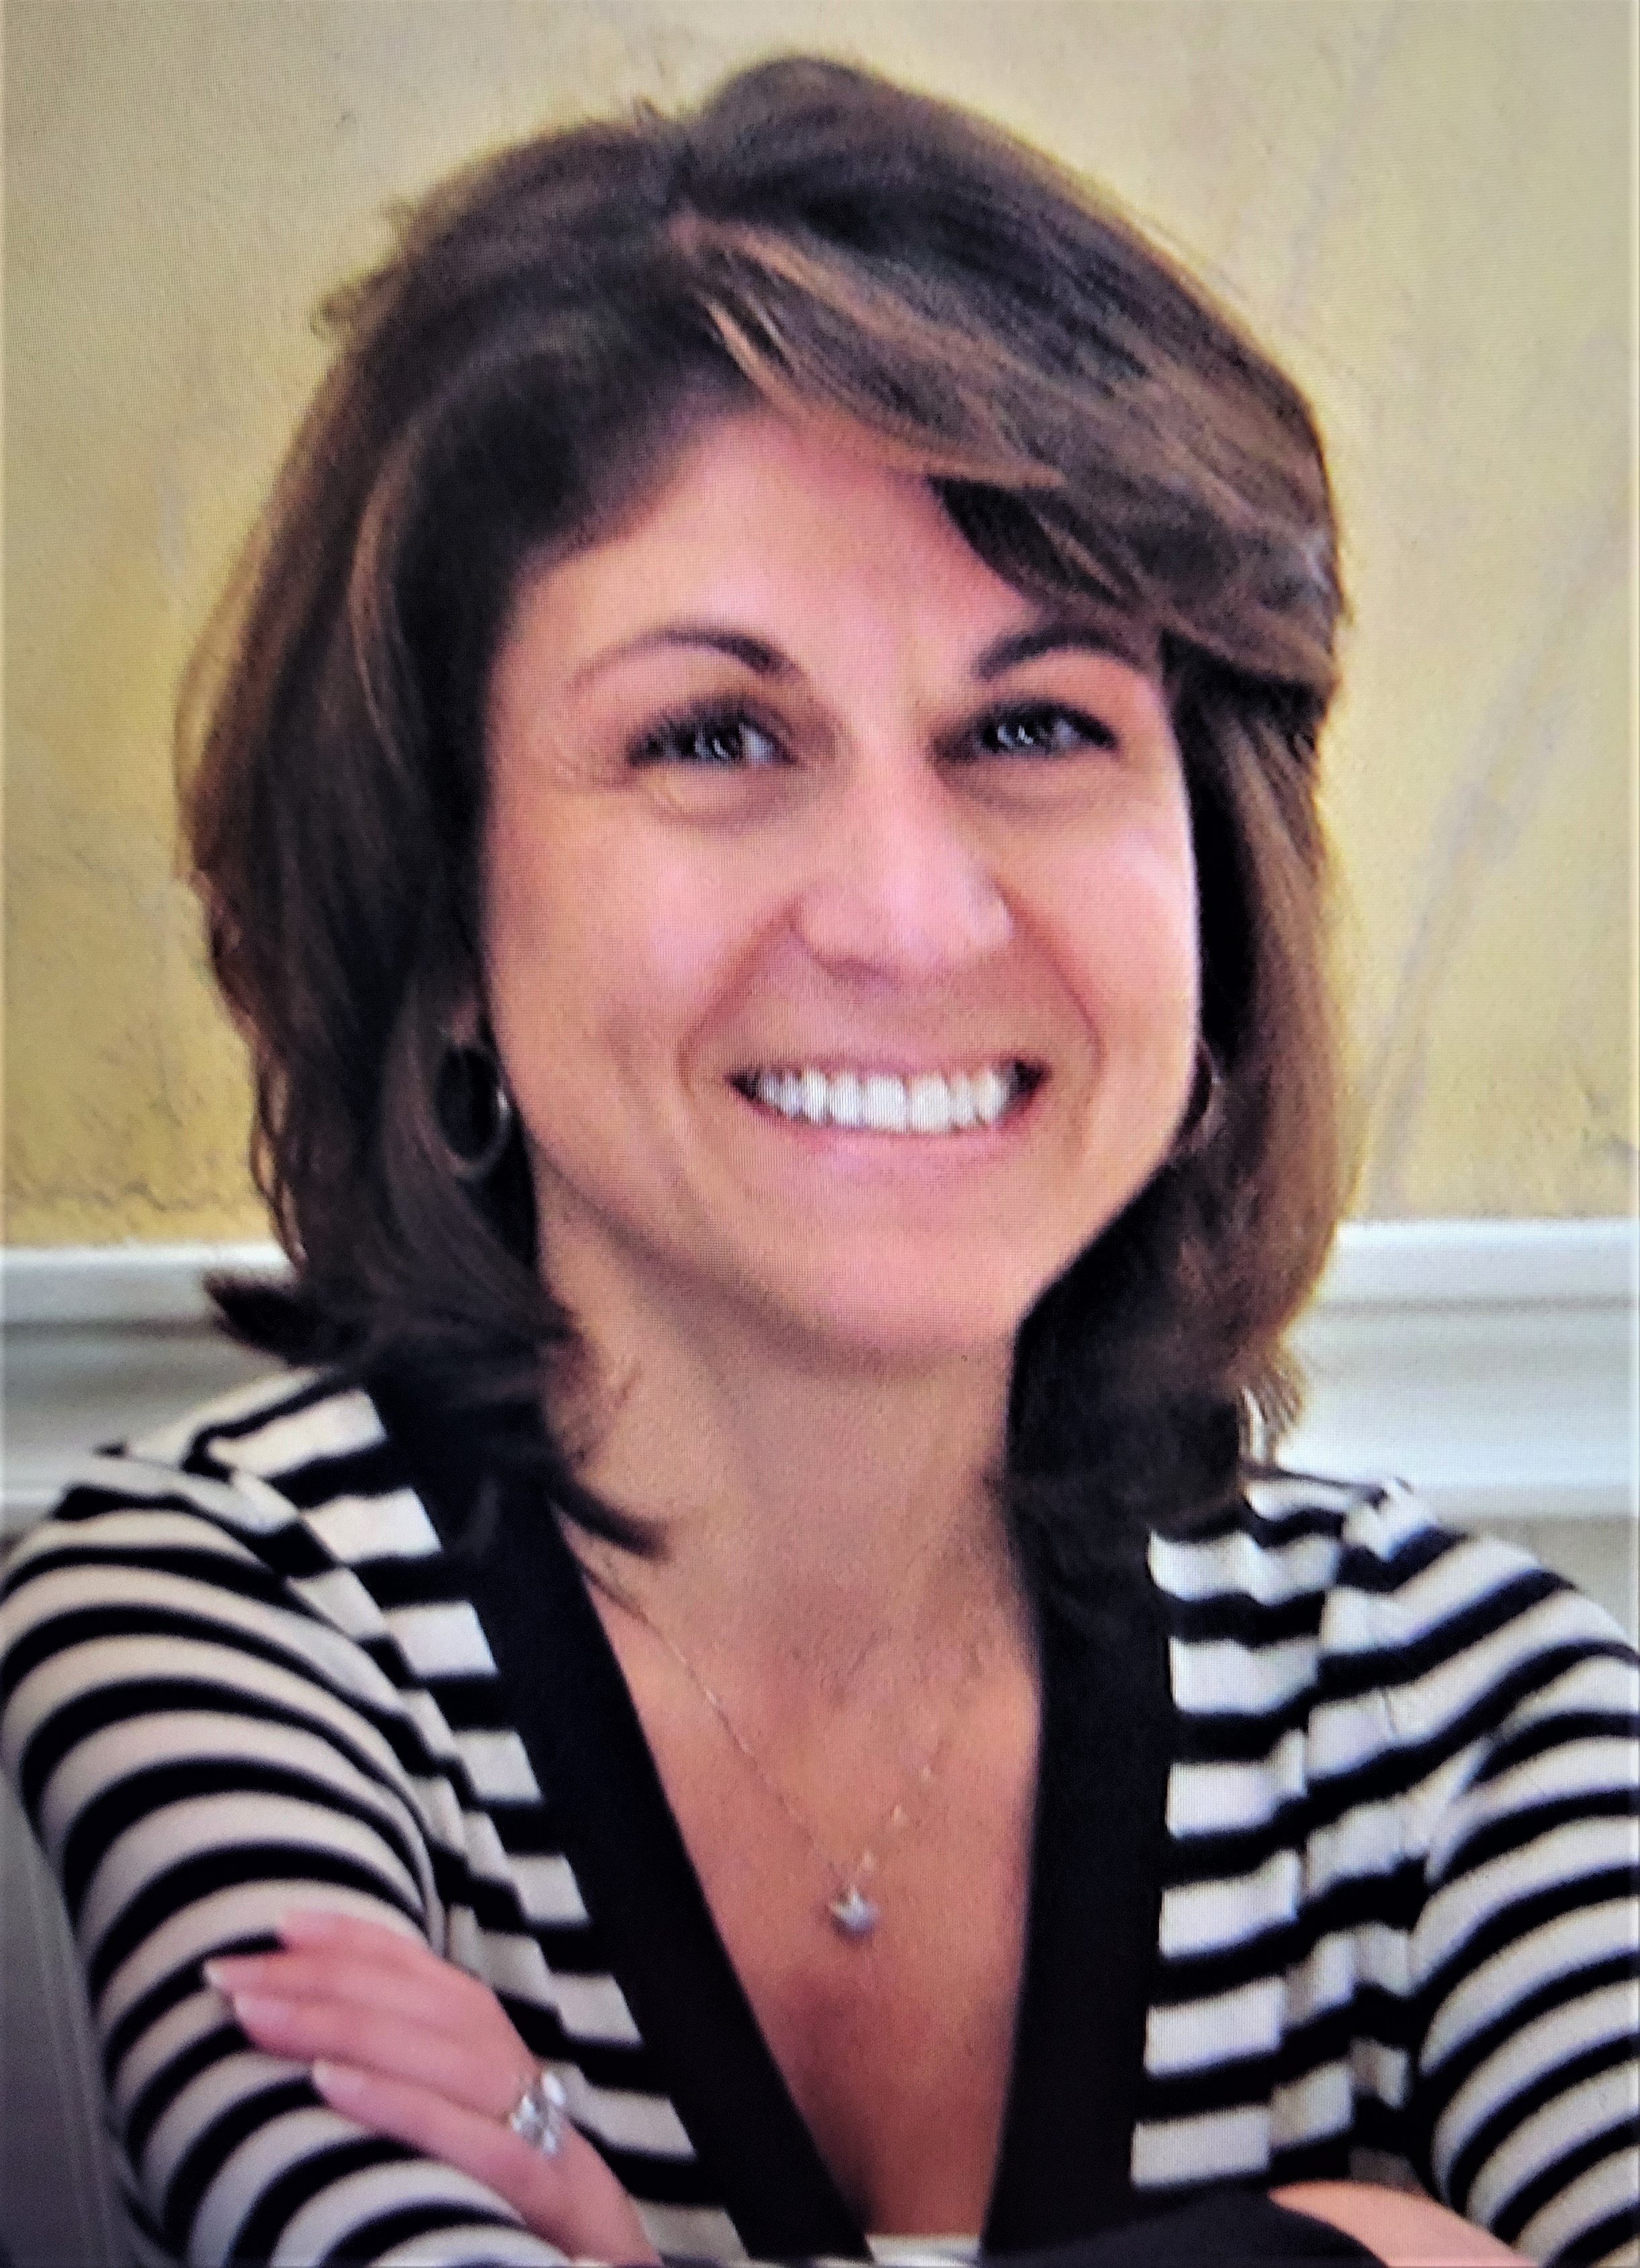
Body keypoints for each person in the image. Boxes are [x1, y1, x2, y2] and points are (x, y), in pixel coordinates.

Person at [1, 54, 1635, 2268]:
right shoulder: (206, 1652)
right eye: (716, 736)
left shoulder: (1476, 1717)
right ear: (447, 923)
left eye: (1037, 728)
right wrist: (1373, 2252)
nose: (907, 911)